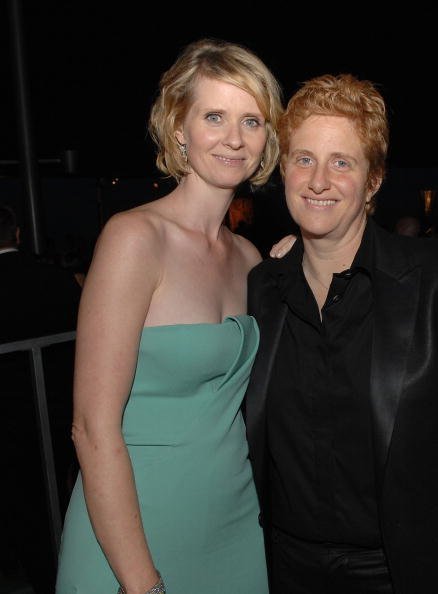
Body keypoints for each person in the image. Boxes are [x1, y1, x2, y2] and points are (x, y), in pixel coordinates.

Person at [245, 74, 438, 594]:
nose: (318, 180)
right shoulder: (263, 288)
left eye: (342, 162)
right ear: (283, 168)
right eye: (304, 158)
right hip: (284, 568)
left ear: (374, 180)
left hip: (405, 572)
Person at [55, 38, 283, 594]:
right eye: (214, 116)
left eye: (251, 120)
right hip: (133, 536)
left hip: (233, 528)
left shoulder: (251, 259)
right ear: (179, 127)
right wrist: (141, 584)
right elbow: (90, 427)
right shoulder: (134, 238)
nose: (234, 138)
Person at [1, 203, 81, 593]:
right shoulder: (57, 280)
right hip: (59, 408)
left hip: (9, 420)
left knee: (22, 504)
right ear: (17, 235)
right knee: (59, 498)